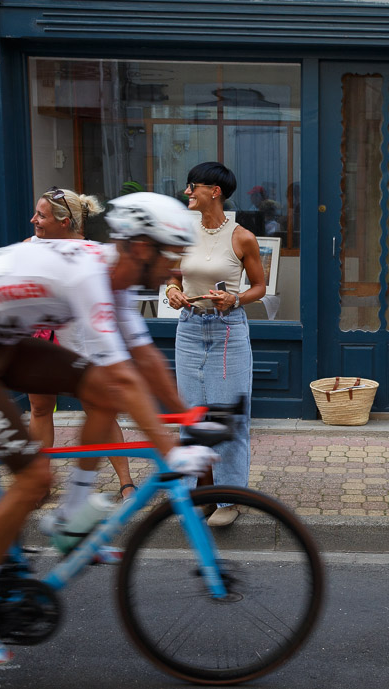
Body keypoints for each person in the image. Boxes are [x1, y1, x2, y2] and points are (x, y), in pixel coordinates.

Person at [0, 192, 218, 665]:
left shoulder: (114, 278)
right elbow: (123, 373)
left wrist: (186, 419)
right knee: (34, 478)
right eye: (170, 255)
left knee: (99, 390)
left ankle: (70, 519)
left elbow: (145, 361)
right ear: (140, 248)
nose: (173, 268)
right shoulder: (88, 278)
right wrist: (172, 451)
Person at [164, 162, 266, 527]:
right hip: (189, 329)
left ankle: (229, 500)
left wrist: (235, 300)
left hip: (227, 330)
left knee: (229, 417)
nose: (188, 193)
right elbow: (173, 277)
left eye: (193, 187)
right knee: (192, 415)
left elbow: (259, 287)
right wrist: (174, 292)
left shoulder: (242, 237)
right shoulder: (184, 233)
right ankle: (200, 494)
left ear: (215, 191)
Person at [26, 187, 137, 504]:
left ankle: (126, 483)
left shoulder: (92, 254)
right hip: (41, 341)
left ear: (64, 221)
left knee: (99, 409)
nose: (34, 220)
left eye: (42, 215)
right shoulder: (28, 248)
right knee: (40, 409)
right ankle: (39, 483)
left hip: (80, 342)